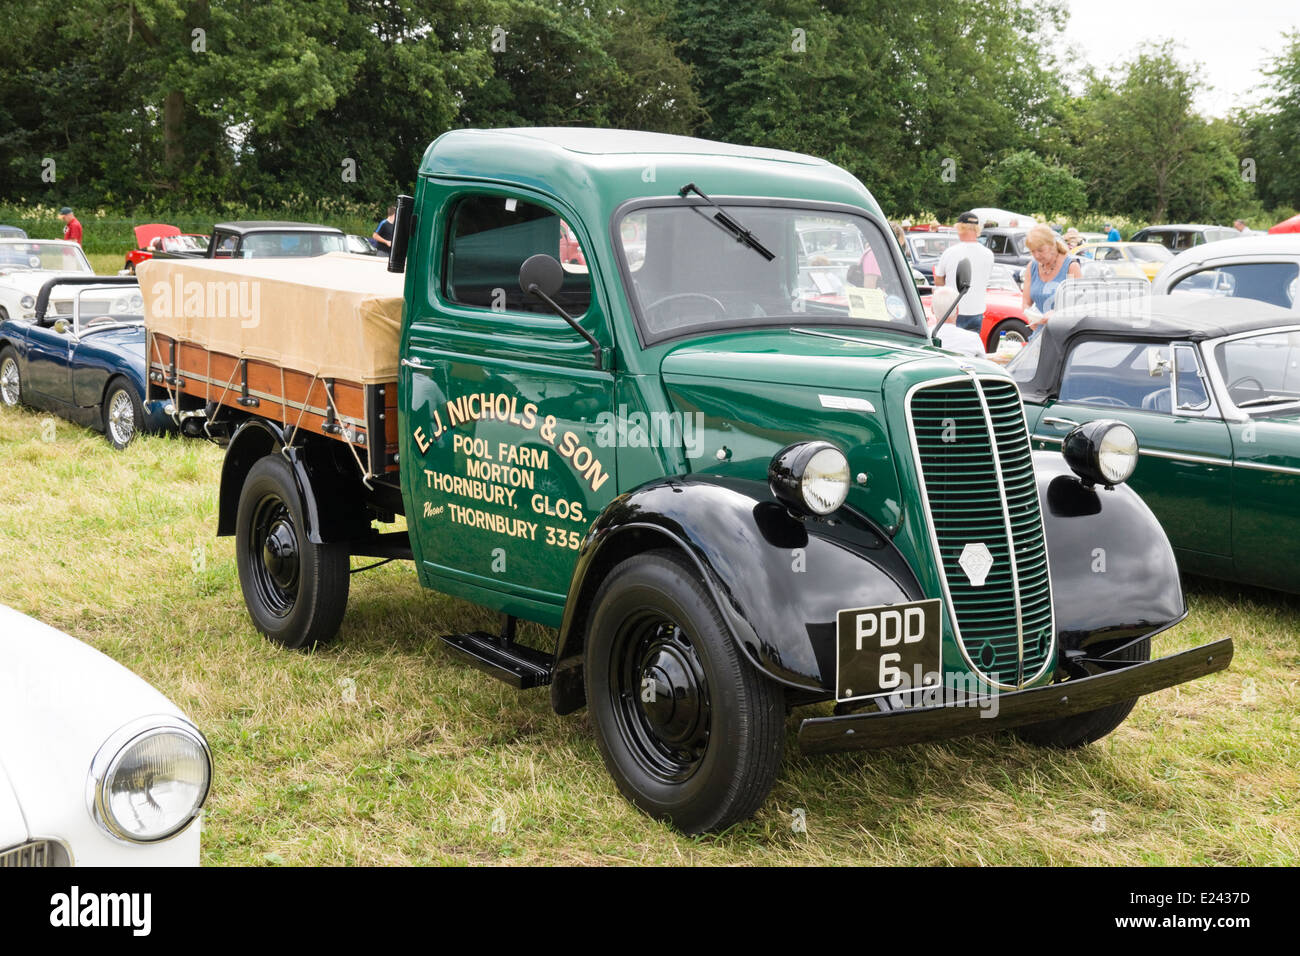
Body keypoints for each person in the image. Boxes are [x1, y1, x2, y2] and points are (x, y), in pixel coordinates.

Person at [932, 211, 994, 334]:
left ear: (960, 228)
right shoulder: (989, 254)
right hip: (977, 310)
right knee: (971, 348)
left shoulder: (950, 252)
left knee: (952, 348)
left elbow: (938, 280)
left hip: (953, 310)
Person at [1022, 223, 1082, 329]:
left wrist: (1056, 313)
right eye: (1032, 251)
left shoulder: (1071, 267)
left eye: (1040, 250)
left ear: (1052, 245)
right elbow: (1026, 303)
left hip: (1063, 334)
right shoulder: (1032, 267)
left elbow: (1077, 306)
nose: (1036, 255)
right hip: (1038, 335)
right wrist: (1030, 318)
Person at [929, 286, 986, 358]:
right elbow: (983, 363)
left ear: (932, 310)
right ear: (957, 310)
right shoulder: (972, 339)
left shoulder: (922, 337)